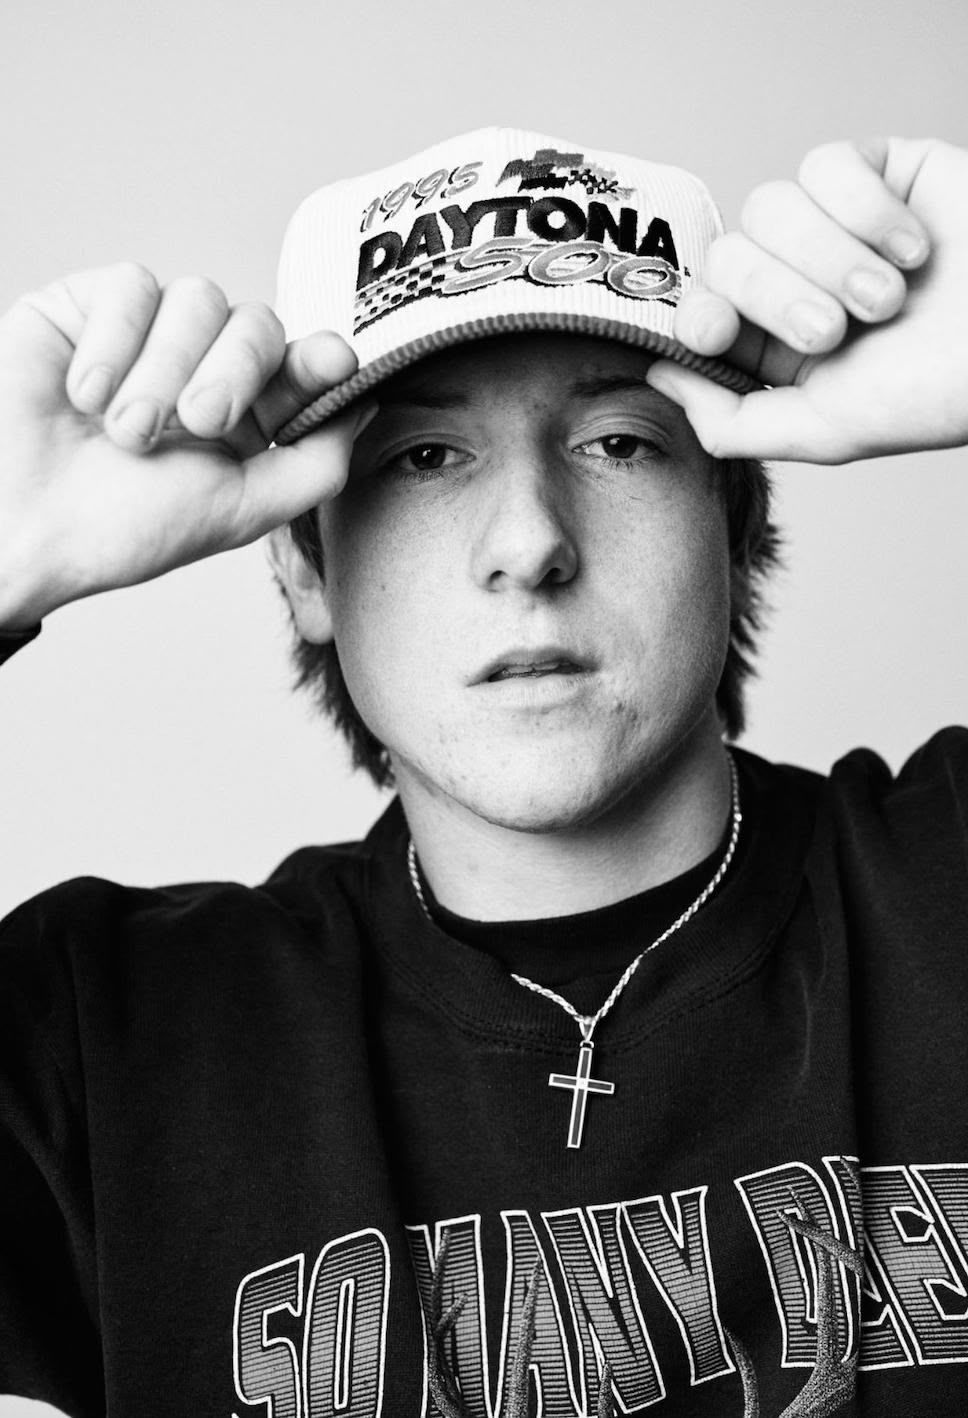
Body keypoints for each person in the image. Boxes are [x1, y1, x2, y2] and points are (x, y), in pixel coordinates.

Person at [0, 126, 966, 1418]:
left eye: (620, 441)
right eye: (423, 456)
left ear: (738, 521)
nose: (528, 544)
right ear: (301, 566)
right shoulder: (103, 1040)